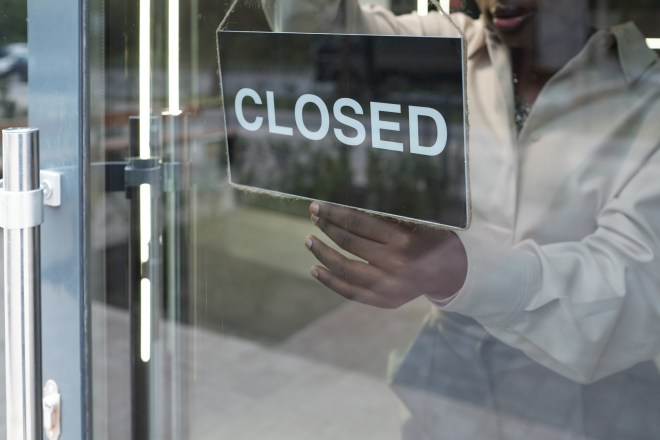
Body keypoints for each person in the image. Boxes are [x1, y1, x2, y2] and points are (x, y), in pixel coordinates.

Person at [261, 1, 660, 438]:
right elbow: (309, 24)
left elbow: (636, 284)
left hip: (588, 409)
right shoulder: (446, 44)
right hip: (450, 396)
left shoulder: (648, 95)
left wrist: (458, 270)